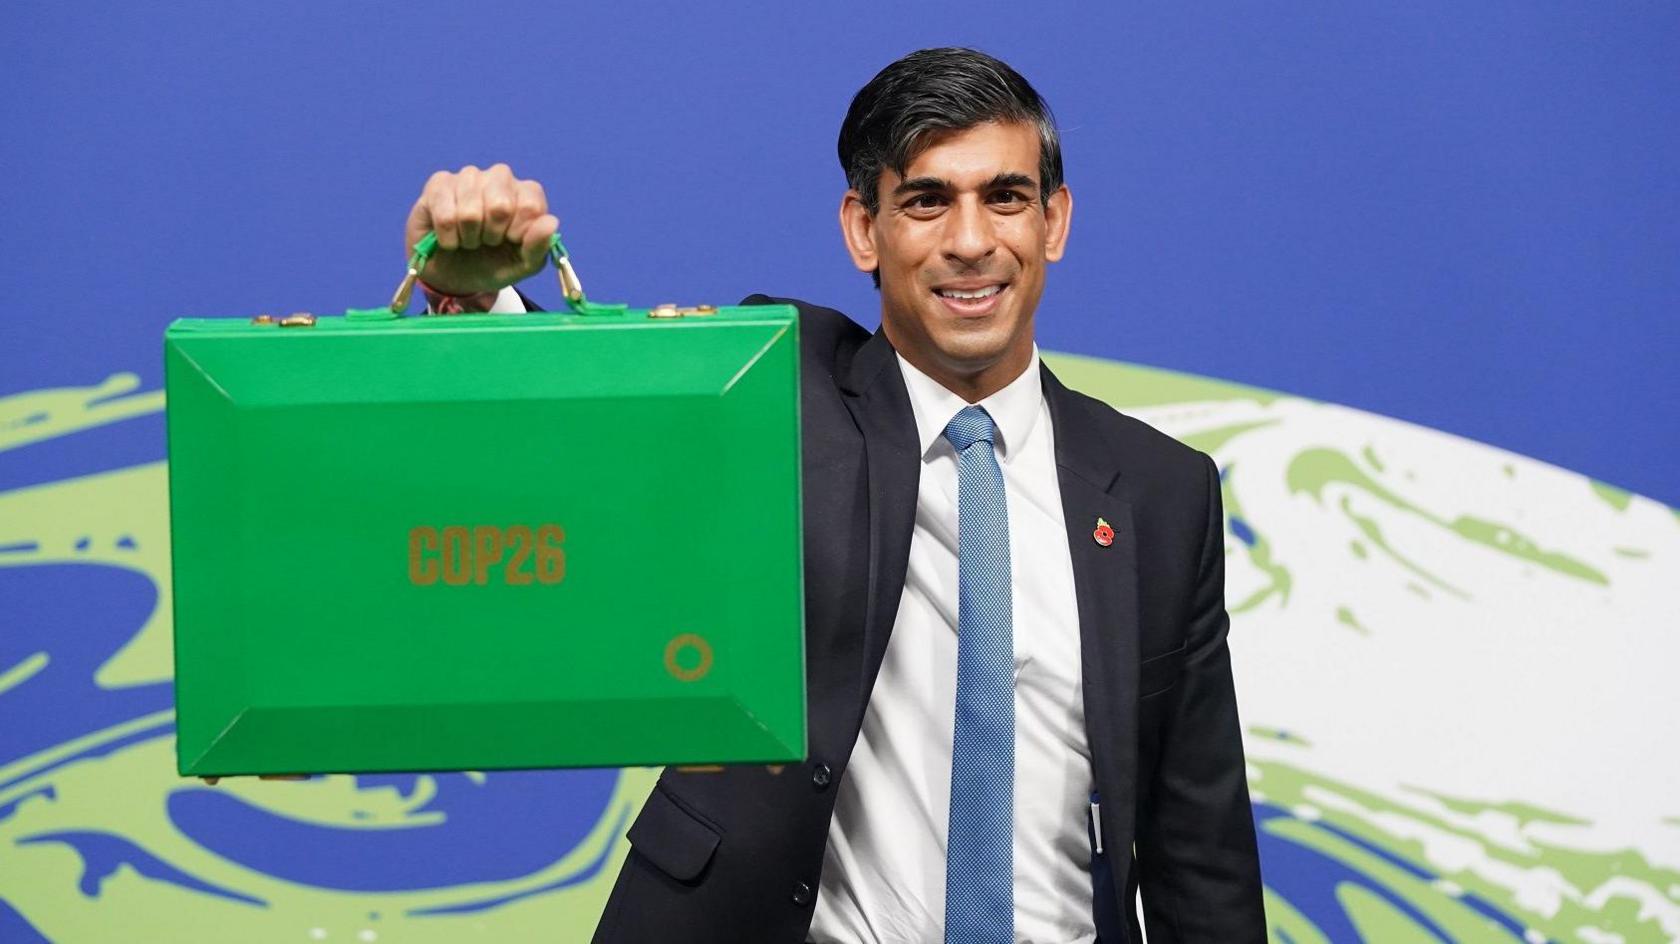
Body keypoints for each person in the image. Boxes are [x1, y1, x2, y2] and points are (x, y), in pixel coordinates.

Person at [403, 47, 1263, 944]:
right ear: (863, 229)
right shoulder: (778, 395)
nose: (971, 241)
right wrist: (480, 302)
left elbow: (1199, 848)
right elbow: (591, 435)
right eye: (927, 201)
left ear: (1055, 222)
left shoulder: (1161, 493)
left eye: (1004, 197)